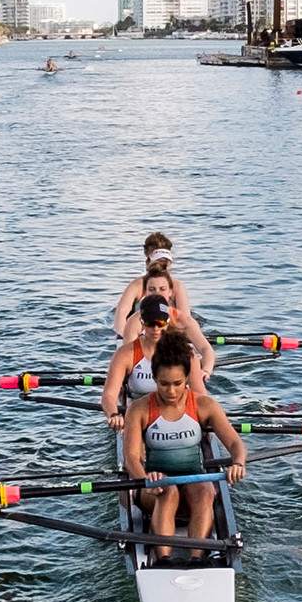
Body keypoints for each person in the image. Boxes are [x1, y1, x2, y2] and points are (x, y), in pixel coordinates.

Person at [122, 329, 247, 563]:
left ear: (188, 377)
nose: (171, 391)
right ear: (154, 377)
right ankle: (163, 560)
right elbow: (130, 458)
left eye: (178, 383)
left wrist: (238, 462)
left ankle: (197, 559)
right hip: (153, 486)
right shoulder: (138, 409)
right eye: (163, 384)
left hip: (192, 483)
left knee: (206, 490)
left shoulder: (204, 405)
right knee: (167, 491)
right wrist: (146, 479)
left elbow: (234, 442)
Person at [110, 231, 215, 379]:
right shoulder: (136, 292)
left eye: (166, 262)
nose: (164, 266)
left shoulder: (178, 290)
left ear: (170, 292)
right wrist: (129, 335)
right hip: (139, 335)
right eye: (152, 290)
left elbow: (192, 330)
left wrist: (206, 370)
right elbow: (121, 315)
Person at [100, 294, 208, 428]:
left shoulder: (185, 353)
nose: (155, 329)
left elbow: (201, 394)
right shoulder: (126, 354)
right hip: (139, 413)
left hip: (176, 410)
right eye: (150, 323)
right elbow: (109, 394)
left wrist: (207, 417)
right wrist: (113, 414)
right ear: (141, 322)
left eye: (160, 323)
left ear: (168, 322)